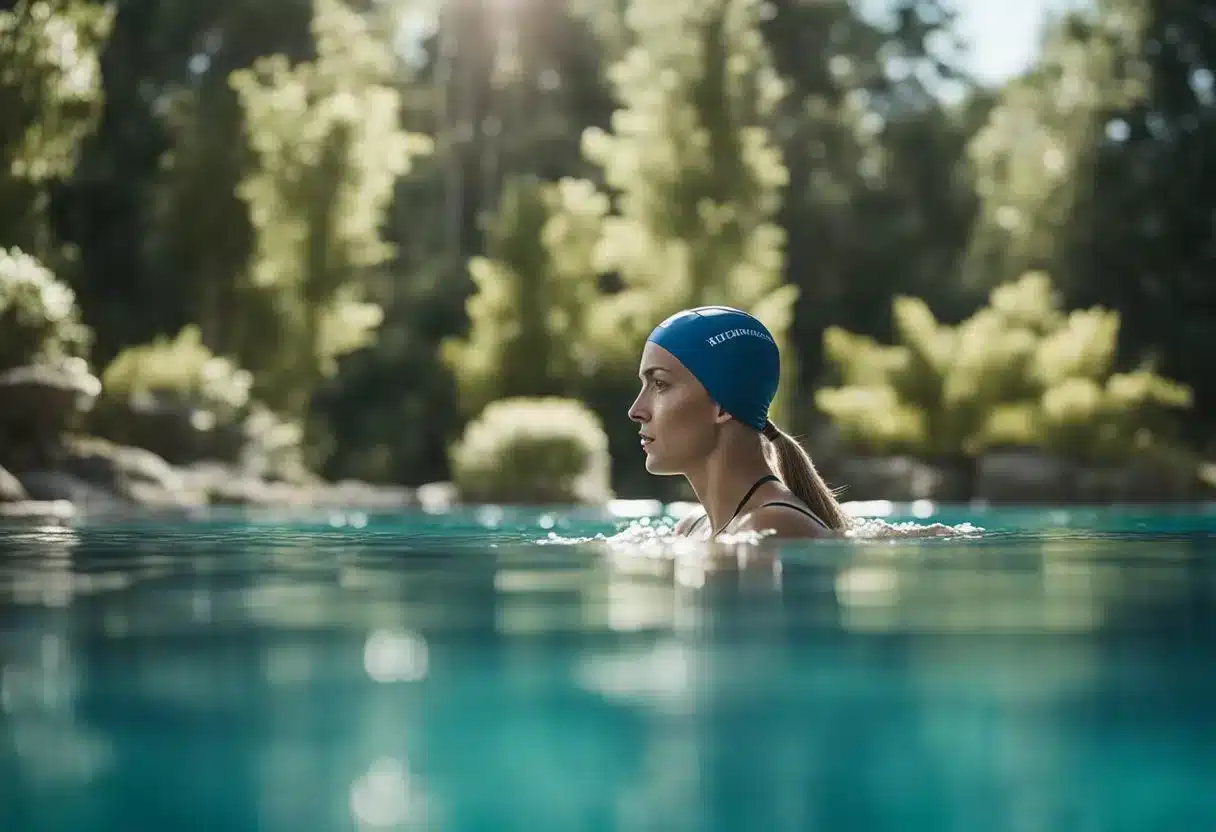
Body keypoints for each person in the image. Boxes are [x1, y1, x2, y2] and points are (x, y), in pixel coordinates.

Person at [628, 305, 849, 540]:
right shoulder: (691, 528)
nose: (636, 411)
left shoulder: (771, 526)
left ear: (723, 406)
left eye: (660, 384)